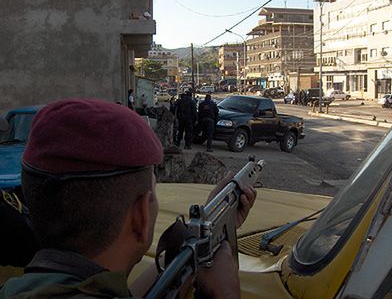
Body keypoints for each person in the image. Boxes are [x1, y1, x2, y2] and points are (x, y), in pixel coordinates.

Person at [0, 98, 256, 299]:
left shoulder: (18, 287)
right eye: (153, 195)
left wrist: (196, 237)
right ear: (141, 216)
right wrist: (226, 293)